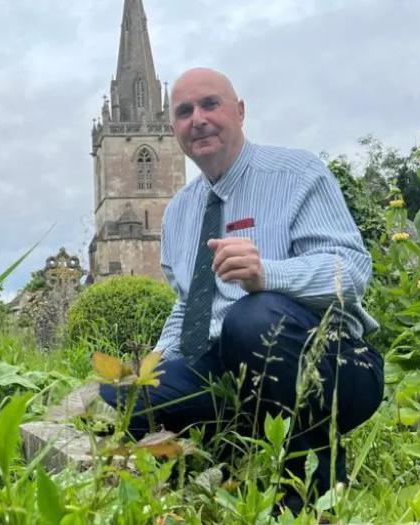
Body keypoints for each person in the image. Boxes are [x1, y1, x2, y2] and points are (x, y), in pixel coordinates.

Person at [99, 68, 383, 511]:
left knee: (251, 320)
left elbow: (351, 271)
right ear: (172, 127)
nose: (198, 119)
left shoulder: (297, 173)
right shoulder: (179, 212)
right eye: (184, 111)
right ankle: (234, 455)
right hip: (230, 374)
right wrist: (152, 368)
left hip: (334, 363)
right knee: (121, 393)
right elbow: (187, 309)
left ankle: (311, 496)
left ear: (241, 111)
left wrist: (267, 274)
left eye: (211, 104)